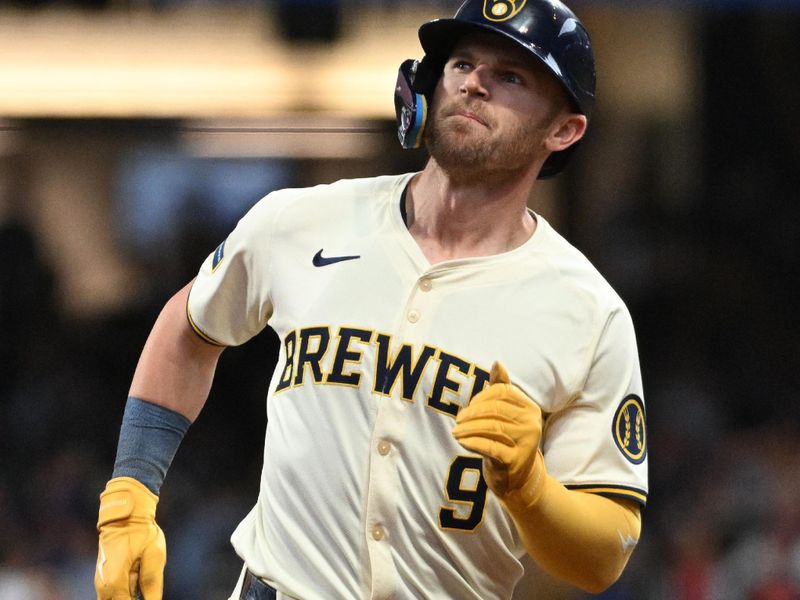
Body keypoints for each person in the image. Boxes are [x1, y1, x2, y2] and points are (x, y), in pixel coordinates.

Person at [94, 0, 648, 598]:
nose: (474, 83)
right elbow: (189, 325)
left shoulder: (589, 311)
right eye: (461, 63)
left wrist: (533, 489)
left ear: (563, 129)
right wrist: (131, 493)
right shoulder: (303, 219)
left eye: (511, 76)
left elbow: (605, 552)